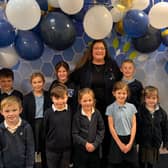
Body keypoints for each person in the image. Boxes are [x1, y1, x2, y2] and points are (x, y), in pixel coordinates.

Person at [70, 39, 122, 158]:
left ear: (105, 51)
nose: (99, 51)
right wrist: (71, 96)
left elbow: (119, 81)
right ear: (92, 51)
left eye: (102, 48)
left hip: (108, 108)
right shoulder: (85, 66)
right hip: (89, 109)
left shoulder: (112, 65)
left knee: (107, 135)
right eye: (96, 48)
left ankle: (106, 162)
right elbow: (72, 80)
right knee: (90, 136)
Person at [106, 81, 139, 168]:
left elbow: (134, 125)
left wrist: (130, 143)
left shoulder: (132, 107)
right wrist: (120, 144)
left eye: (124, 93)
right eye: (119, 93)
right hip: (117, 139)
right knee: (116, 164)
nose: (121, 95)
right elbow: (111, 128)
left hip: (130, 138)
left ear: (127, 94)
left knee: (133, 164)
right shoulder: (110, 108)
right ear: (114, 93)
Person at [23, 72, 51, 168]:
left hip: (45, 124)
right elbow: (24, 115)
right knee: (33, 147)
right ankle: (33, 165)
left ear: (43, 82)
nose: (37, 84)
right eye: (34, 82)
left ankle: (45, 165)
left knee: (45, 147)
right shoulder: (26, 98)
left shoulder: (49, 95)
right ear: (31, 84)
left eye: (39, 82)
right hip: (32, 125)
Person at [136, 86, 168, 168]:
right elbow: (136, 127)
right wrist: (135, 140)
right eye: (148, 98)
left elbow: (165, 128)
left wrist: (166, 142)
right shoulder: (140, 111)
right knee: (142, 162)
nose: (151, 100)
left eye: (153, 98)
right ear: (144, 98)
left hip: (155, 142)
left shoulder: (161, 113)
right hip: (143, 141)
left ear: (157, 98)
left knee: (151, 162)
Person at [72, 88, 105, 168]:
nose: (88, 103)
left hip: (95, 149)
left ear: (93, 100)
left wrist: (95, 144)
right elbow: (74, 134)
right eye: (85, 101)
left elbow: (101, 129)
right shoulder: (77, 116)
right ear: (80, 101)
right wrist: (85, 144)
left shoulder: (97, 113)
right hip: (81, 150)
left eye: (90, 100)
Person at [0, 96, 34, 168]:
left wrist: (29, 166)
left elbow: (30, 150)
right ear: (1, 112)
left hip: (23, 165)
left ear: (20, 110)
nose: (11, 114)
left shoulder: (26, 127)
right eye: (7, 111)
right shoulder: (0, 129)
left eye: (14, 110)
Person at [44, 83, 72, 168]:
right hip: (52, 150)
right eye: (57, 98)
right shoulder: (48, 113)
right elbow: (44, 130)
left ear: (67, 97)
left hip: (66, 149)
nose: (60, 101)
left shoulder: (70, 110)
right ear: (52, 98)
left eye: (63, 98)